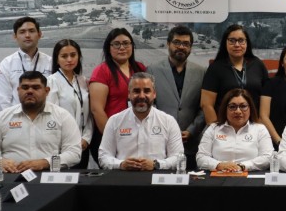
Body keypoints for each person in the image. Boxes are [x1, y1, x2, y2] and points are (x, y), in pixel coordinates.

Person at [0, 71, 82, 171]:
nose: (30, 91)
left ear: (47, 91)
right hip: (11, 177)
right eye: (25, 87)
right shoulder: (2, 118)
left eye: (36, 87)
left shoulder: (63, 116)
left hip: (48, 176)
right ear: (18, 90)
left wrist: (45, 162)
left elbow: (74, 153)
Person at [98, 72, 184, 171]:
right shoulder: (114, 121)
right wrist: (121, 164)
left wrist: (156, 165)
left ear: (154, 94)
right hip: (123, 177)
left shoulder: (168, 121)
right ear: (129, 94)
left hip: (156, 177)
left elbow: (178, 157)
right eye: (136, 91)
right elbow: (103, 156)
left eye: (147, 91)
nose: (142, 96)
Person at [146, 26, 206, 166]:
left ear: (190, 47)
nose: (181, 47)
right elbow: (150, 105)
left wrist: (191, 130)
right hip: (160, 142)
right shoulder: (152, 70)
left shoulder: (201, 72)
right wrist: (165, 130)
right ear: (168, 44)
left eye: (186, 44)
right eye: (177, 42)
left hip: (191, 144)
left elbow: (204, 107)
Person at [88, 28, 146, 165]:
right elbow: (97, 109)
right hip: (111, 137)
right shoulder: (102, 71)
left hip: (136, 136)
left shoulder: (140, 68)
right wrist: (112, 138)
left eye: (126, 43)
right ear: (109, 47)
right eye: (116, 44)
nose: (122, 48)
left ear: (132, 46)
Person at [200, 24, 268, 126]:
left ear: (247, 43)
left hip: (254, 127)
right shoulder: (215, 68)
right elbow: (206, 104)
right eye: (232, 40)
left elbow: (266, 102)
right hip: (224, 127)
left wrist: (259, 129)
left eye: (241, 40)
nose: (237, 45)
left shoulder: (258, 65)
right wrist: (216, 130)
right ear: (225, 43)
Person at [196, 88, 272, 172]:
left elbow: (267, 157)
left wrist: (242, 166)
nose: (238, 111)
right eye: (232, 107)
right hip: (219, 176)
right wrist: (219, 165)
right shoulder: (213, 128)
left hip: (249, 176)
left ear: (250, 108)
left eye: (243, 106)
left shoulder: (260, 129)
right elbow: (201, 158)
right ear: (225, 109)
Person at [47, 39, 93, 169]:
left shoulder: (83, 81)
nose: (69, 59)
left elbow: (89, 115)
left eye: (73, 55)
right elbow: (52, 116)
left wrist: (86, 138)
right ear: (57, 59)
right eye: (64, 56)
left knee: (81, 179)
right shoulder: (51, 81)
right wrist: (68, 142)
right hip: (62, 146)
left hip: (82, 145)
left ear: (79, 57)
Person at [0, 16, 52, 112]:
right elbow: (2, 100)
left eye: (31, 31)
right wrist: (15, 119)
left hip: (46, 118)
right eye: (22, 32)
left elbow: (53, 96)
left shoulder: (50, 62)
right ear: (15, 36)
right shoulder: (6, 64)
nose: (27, 35)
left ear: (39, 34)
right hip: (15, 119)